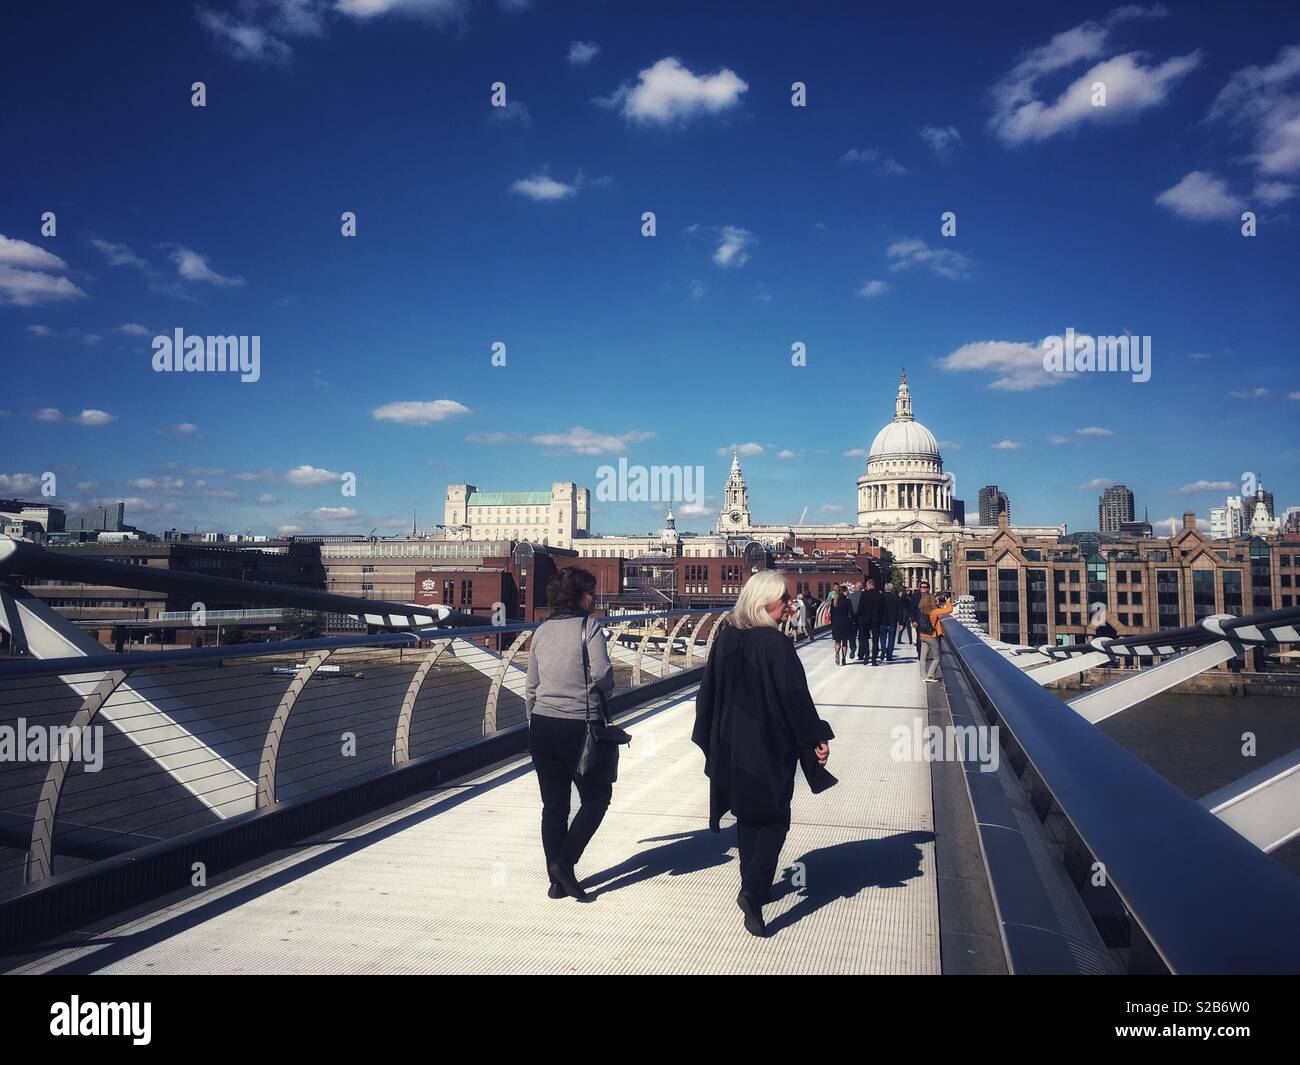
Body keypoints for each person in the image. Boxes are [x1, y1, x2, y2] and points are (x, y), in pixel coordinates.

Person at [693, 569, 835, 937]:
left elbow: (707, 693)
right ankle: (753, 892)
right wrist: (815, 738)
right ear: (763, 603)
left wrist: (713, 737)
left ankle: (752, 885)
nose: (791, 605)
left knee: (747, 816)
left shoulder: (726, 638)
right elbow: (794, 699)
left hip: (731, 744)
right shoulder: (775, 644)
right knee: (774, 818)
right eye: (784, 599)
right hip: (769, 744)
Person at [526, 566, 616, 901]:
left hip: (542, 725)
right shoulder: (589, 627)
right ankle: (564, 864)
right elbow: (603, 674)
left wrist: (534, 721)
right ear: (578, 595)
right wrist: (604, 688)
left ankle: (555, 881)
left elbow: (531, 685)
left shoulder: (542, 631)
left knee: (554, 806)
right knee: (596, 799)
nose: (594, 597)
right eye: (590, 591)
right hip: (579, 727)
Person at [917, 586, 954, 684]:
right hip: (931, 636)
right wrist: (948, 601)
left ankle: (923, 676)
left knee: (923, 658)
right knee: (937, 658)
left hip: (922, 635)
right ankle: (930, 675)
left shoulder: (922, 611)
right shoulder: (934, 611)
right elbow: (949, 610)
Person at [857, 578, 884, 664]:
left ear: (869, 585)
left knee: (865, 638)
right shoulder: (879, 595)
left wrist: (858, 616)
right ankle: (874, 659)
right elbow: (882, 609)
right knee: (875, 640)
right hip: (876, 620)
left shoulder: (864, 594)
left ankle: (867, 655)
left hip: (865, 620)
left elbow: (860, 607)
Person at [830, 583, 856, 665]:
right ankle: (844, 658)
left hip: (836, 623)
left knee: (837, 641)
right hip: (845, 622)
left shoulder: (833, 601)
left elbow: (831, 613)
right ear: (843, 592)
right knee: (844, 642)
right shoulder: (847, 601)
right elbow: (851, 613)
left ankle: (837, 653)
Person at [880, 584, 901, 662]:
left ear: (885, 589)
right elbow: (899, 610)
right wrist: (901, 621)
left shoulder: (881, 596)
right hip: (893, 620)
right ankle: (889, 655)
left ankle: (883, 649)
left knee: (882, 636)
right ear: (892, 589)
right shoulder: (896, 597)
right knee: (891, 638)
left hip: (882, 619)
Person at [846, 581, 863, 659]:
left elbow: (847, 609)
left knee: (852, 635)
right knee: (861, 636)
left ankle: (852, 647)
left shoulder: (850, 597)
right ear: (861, 588)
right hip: (862, 619)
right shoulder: (864, 596)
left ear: (855, 588)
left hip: (852, 619)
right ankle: (861, 653)